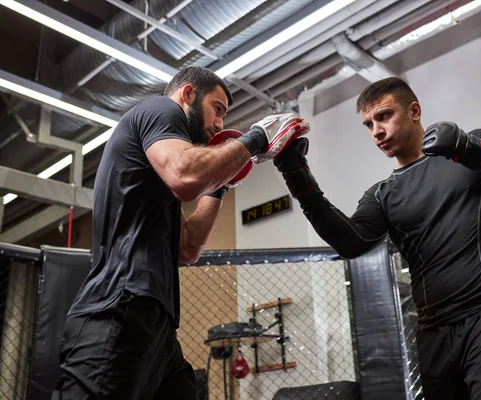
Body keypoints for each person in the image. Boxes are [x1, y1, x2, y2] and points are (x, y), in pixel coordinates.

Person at [273, 76, 481, 399]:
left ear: (414, 111)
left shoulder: (475, 146)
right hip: (435, 335)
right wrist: (297, 175)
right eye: (368, 124)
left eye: (384, 116)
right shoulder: (382, 194)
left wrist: (476, 153)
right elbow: (350, 241)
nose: (376, 131)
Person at [53, 66, 309, 400]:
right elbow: (186, 176)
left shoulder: (156, 181)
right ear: (188, 95)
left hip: (155, 322)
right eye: (217, 109)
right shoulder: (159, 110)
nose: (219, 124)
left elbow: (187, 247)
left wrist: (220, 186)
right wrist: (257, 137)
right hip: (119, 306)